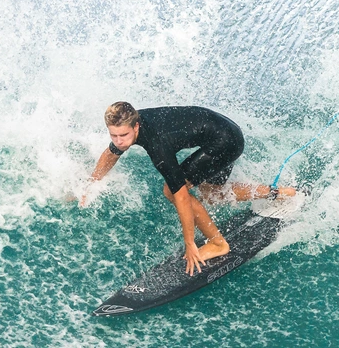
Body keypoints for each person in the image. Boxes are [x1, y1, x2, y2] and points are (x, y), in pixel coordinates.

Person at [82, 102, 296, 276]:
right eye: (114, 135)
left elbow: (182, 198)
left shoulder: (158, 145)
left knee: (171, 190)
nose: (119, 141)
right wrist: (92, 182)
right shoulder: (132, 121)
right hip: (225, 129)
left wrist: (190, 243)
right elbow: (111, 153)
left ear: (136, 126)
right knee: (211, 194)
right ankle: (279, 193)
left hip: (225, 142)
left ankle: (218, 244)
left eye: (124, 136)